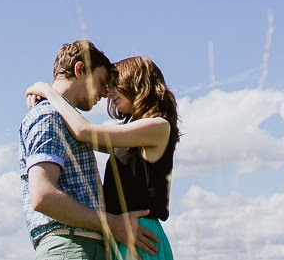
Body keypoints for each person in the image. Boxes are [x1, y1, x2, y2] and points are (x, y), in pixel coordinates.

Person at [27, 56, 179, 260]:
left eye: (116, 85)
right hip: (123, 233)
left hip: (140, 233)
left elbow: (84, 132)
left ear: (136, 83)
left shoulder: (158, 126)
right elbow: (85, 137)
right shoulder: (133, 134)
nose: (109, 93)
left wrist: (49, 92)